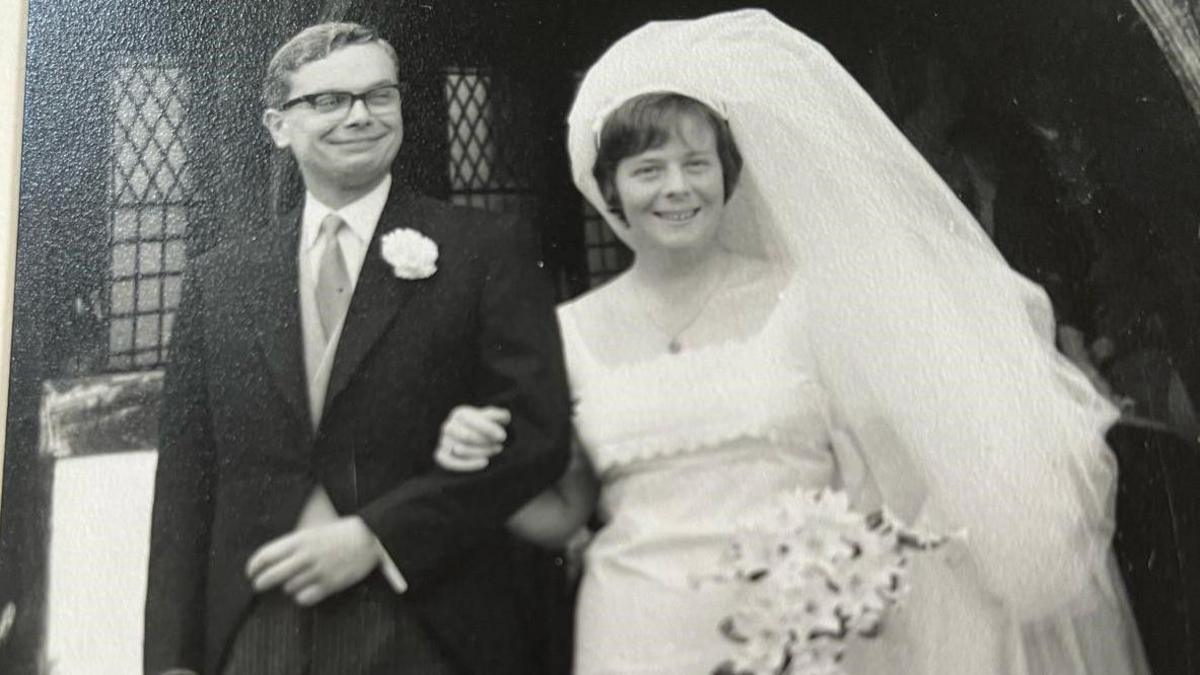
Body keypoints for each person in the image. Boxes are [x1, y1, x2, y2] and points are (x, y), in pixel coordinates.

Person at [434, 10, 1149, 674]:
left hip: (798, 636)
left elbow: (892, 488)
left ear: (727, 174)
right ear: (608, 190)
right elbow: (565, 508)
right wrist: (483, 469)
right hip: (634, 635)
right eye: (647, 169)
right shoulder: (566, 332)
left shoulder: (808, 305)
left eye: (696, 163)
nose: (676, 188)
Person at [143, 22, 571, 675]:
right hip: (258, 624)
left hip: (427, 617)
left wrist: (379, 535)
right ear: (278, 125)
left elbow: (536, 435)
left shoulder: (484, 250)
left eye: (379, 96)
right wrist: (172, 658)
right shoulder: (220, 280)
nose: (360, 116)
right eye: (328, 100)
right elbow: (184, 479)